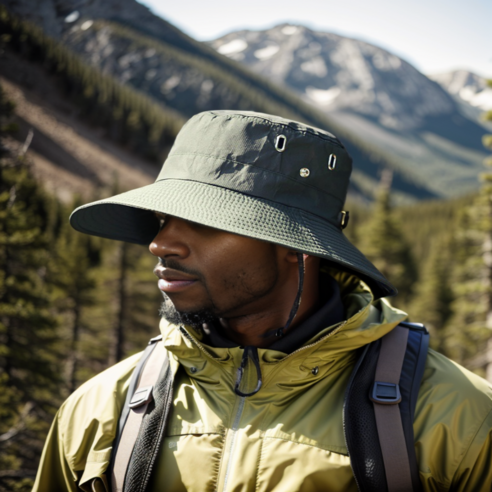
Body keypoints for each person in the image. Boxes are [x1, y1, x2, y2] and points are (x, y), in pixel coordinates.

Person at [33, 111, 492, 492]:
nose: (160, 243)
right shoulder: (99, 410)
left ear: (297, 246)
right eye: (162, 218)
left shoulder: (455, 419)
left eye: (203, 221)